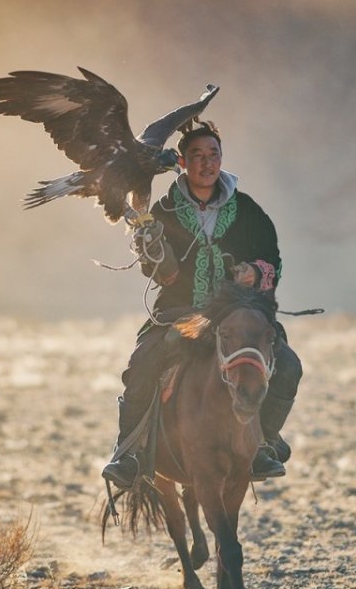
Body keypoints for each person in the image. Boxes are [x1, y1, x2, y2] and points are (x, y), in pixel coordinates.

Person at [102, 121, 302, 489]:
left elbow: (273, 260)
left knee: (288, 364)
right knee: (141, 363)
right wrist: (158, 260)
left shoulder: (248, 211)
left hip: (238, 314)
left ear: (221, 159)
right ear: (181, 161)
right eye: (197, 156)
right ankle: (129, 453)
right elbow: (159, 273)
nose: (207, 163)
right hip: (180, 314)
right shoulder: (161, 211)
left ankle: (264, 443)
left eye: (214, 155)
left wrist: (253, 274)